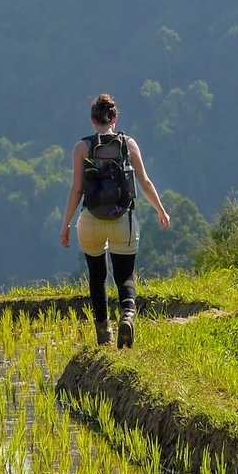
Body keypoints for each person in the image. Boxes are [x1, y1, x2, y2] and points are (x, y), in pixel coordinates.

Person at [60, 93, 170, 347]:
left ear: (92, 119)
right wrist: (160, 210)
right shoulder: (128, 145)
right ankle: (128, 316)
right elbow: (144, 181)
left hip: (90, 222)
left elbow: (76, 190)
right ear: (115, 117)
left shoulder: (81, 148)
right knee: (125, 275)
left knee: (97, 276)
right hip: (124, 220)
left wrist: (66, 224)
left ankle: (103, 335)